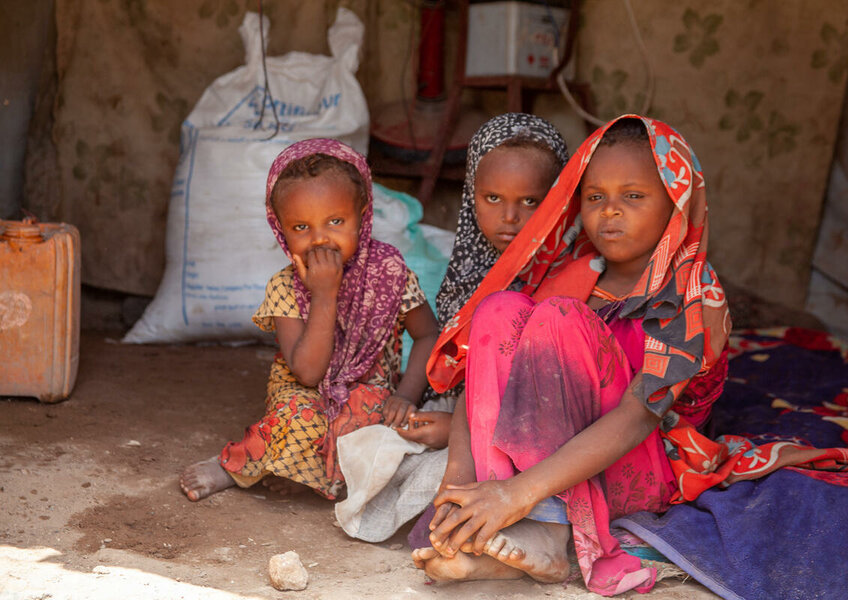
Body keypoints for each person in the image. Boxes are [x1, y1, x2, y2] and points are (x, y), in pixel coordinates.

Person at [412, 115, 732, 596]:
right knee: (498, 308)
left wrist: (519, 493)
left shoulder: (692, 296)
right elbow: (486, 372)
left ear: (675, 203)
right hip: (542, 471)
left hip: (638, 469)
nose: (610, 212)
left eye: (634, 196)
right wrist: (459, 483)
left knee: (561, 317)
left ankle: (545, 525)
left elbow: (637, 418)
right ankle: (490, 529)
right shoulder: (570, 272)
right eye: (595, 196)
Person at [334, 113, 569, 543]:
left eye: (531, 202)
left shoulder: (573, 273)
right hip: (466, 412)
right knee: (373, 444)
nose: (510, 217)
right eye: (492, 198)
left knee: (447, 472)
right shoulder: (470, 270)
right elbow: (458, 370)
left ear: (558, 199)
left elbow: (550, 386)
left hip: (540, 423)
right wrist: (432, 414)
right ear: (470, 196)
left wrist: (452, 432)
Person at [179, 138, 439, 502]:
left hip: (369, 392)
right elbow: (308, 373)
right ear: (280, 229)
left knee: (375, 427)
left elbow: (428, 335)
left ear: (362, 218)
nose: (320, 239)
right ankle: (233, 465)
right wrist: (324, 294)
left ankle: (300, 474)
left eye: (335, 221)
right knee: (298, 417)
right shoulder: (285, 286)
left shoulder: (391, 274)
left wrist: (406, 395)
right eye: (301, 227)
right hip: (304, 394)